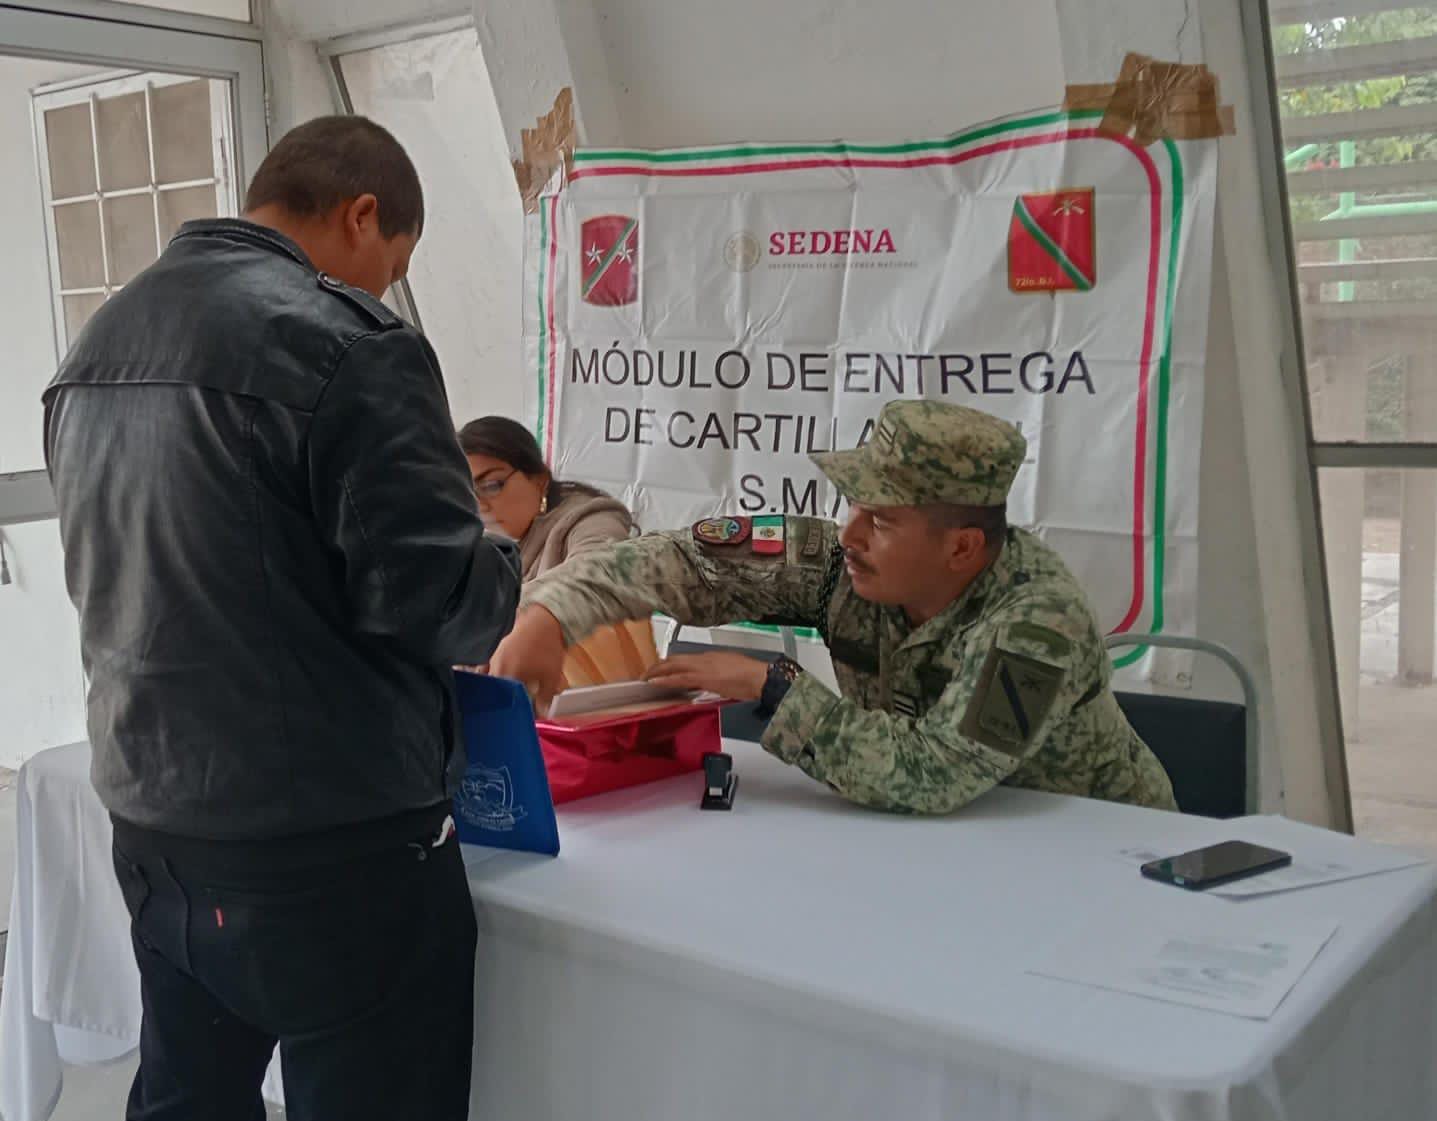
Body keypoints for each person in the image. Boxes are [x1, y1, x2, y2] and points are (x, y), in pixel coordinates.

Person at [42, 116, 520, 1120]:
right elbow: (435, 604)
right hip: (328, 845)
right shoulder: (348, 343)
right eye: (392, 263)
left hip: (154, 820)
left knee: (189, 1095)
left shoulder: (102, 336)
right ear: (361, 215)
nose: (384, 289)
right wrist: (499, 553)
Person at [492, 399, 1177, 815]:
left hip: (1097, 854)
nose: (849, 534)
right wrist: (549, 617)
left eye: (880, 519)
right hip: (939, 846)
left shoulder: (1035, 621)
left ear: (962, 549)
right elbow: (680, 560)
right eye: (854, 507)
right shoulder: (841, 563)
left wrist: (772, 684)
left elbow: (931, 772)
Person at [458, 415, 634, 579]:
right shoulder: (478, 545)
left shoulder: (589, 521)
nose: (479, 505)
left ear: (539, 481)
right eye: (466, 491)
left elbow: (599, 579)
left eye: (492, 485)